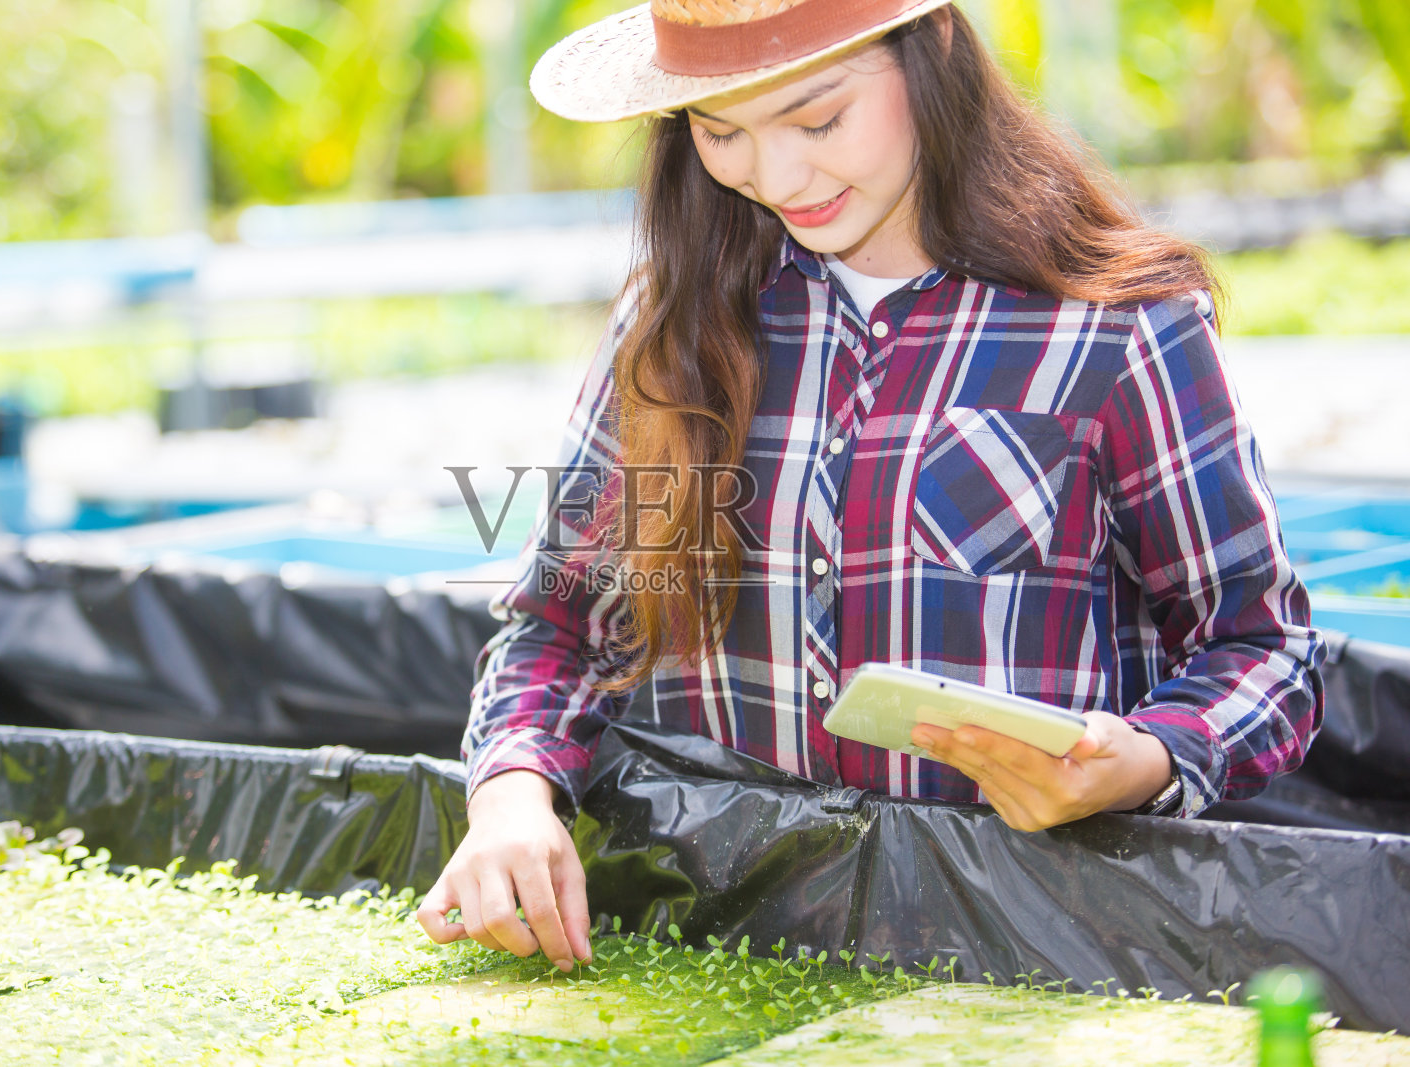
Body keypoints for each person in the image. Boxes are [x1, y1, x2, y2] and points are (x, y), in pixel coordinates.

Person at [416, 0, 1325, 976]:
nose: (777, 175)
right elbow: (561, 622)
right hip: (723, 951)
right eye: (721, 130)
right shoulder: (672, 318)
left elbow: (1260, 646)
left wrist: (1141, 757)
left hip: (1033, 961)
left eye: (817, 120)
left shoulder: (1112, 328)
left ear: (929, 50)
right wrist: (509, 791)